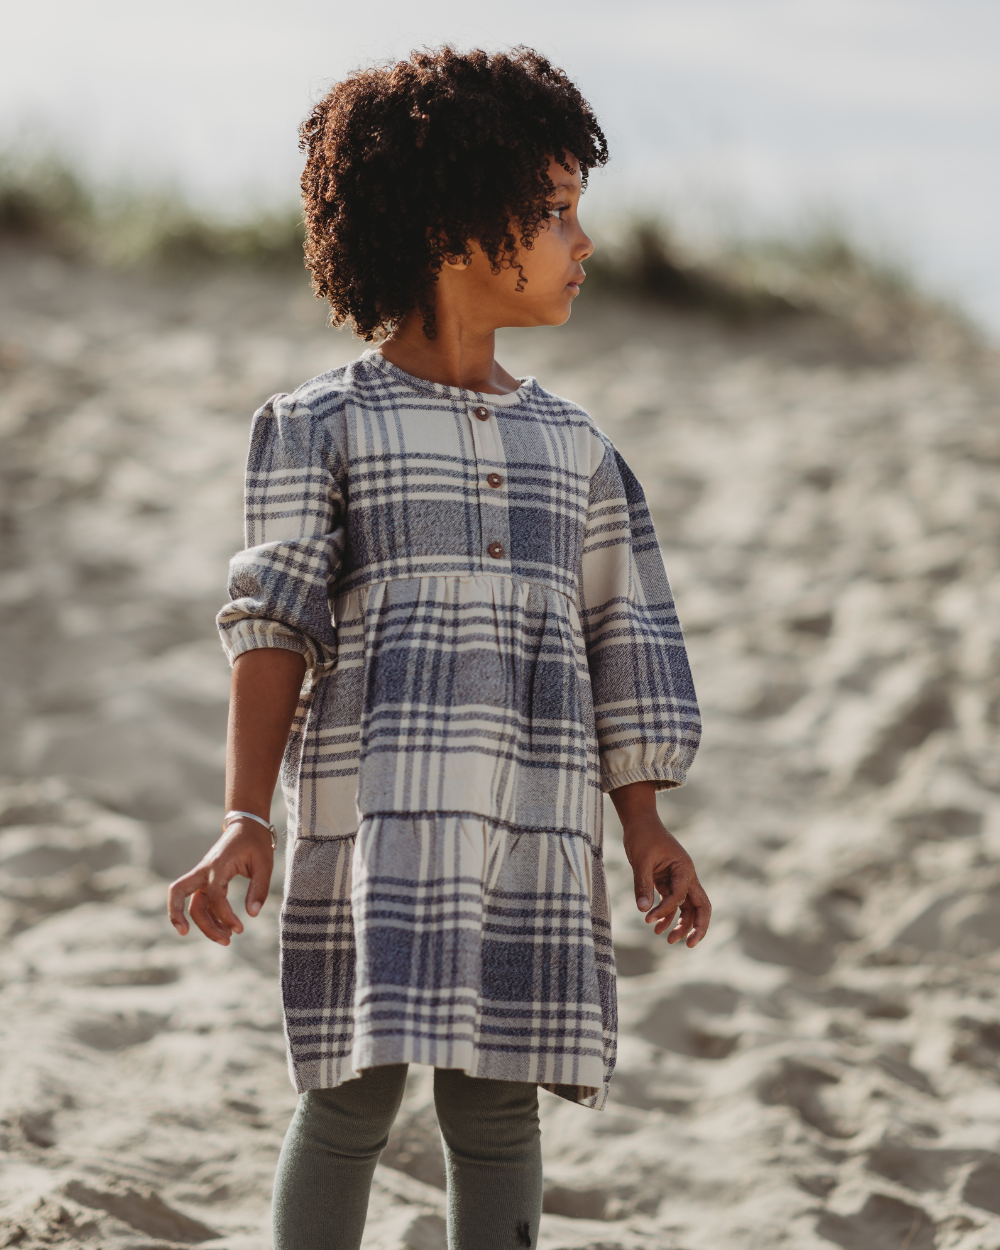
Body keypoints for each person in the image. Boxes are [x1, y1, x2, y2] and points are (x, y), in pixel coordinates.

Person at [167, 45, 711, 1250]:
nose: (583, 242)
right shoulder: (320, 424)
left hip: (534, 824)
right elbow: (273, 625)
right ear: (458, 226)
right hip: (379, 828)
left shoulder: (577, 450)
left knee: (497, 1099)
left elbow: (623, 638)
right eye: (557, 211)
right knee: (349, 1093)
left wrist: (645, 824)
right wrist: (245, 813)